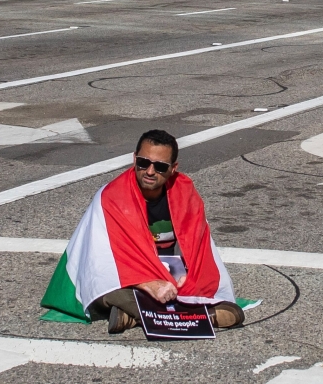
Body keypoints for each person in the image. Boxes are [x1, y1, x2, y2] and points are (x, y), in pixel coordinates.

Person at [41, 129, 244, 334]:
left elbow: (199, 250)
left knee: (219, 299)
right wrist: (146, 283)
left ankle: (132, 316)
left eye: (160, 166)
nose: (149, 171)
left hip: (171, 273)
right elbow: (100, 262)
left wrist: (189, 278)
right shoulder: (111, 197)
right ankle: (195, 318)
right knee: (104, 289)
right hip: (130, 279)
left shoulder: (185, 192)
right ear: (134, 159)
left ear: (173, 168)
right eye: (143, 163)